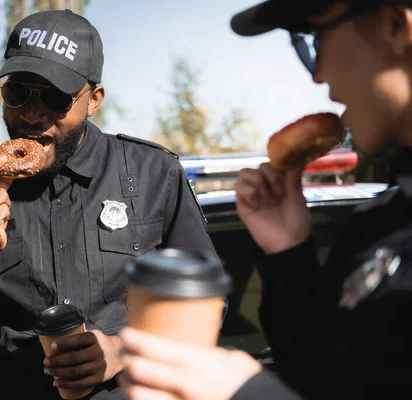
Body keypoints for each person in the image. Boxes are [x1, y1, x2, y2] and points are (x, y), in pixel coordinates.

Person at [0, 9, 216, 399]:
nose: (33, 115)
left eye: (55, 96)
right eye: (18, 93)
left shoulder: (154, 174)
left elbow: (205, 304)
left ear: (94, 99)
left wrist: (124, 350)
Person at [119, 0, 412, 399]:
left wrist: (247, 393)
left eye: (317, 37)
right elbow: (319, 375)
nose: (319, 75)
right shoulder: (377, 224)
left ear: (395, 25)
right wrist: (288, 252)